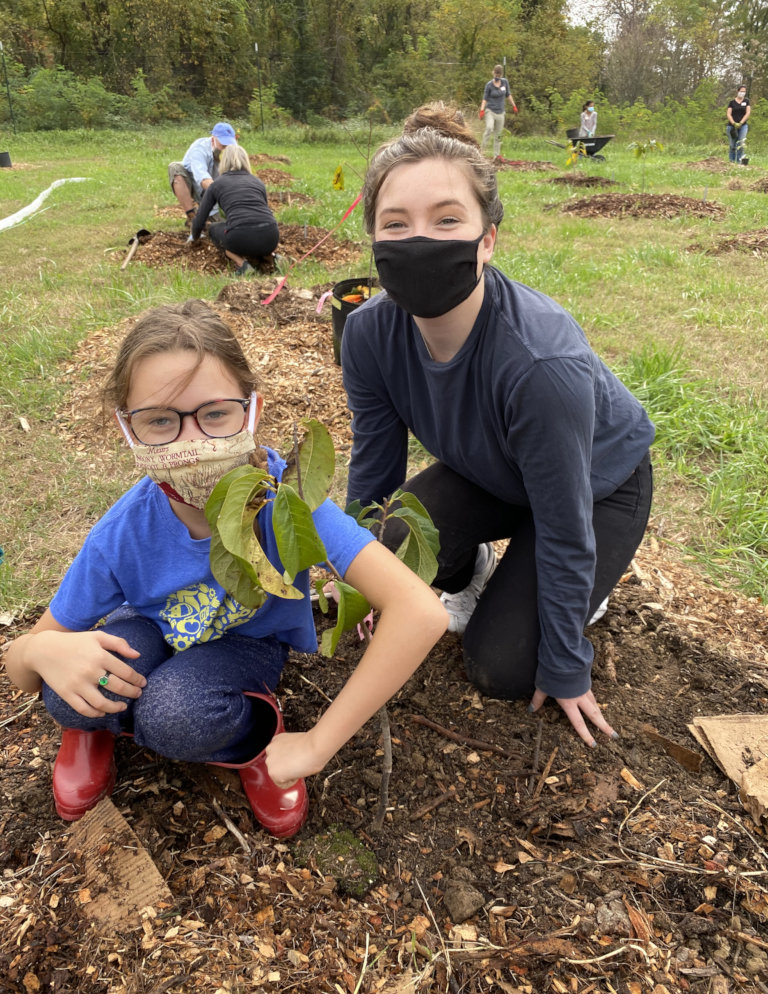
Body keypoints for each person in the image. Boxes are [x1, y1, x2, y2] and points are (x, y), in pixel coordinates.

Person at [4, 300, 447, 835]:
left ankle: (252, 742)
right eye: (160, 421)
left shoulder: (288, 501)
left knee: (176, 717)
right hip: (148, 632)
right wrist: (37, 649)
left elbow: (420, 612)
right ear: (128, 428)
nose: (192, 443)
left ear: (251, 410)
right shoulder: (124, 533)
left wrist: (316, 744)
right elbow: (21, 669)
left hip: (242, 645)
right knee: (66, 688)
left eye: (215, 413)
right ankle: (95, 727)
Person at [341, 124, 654, 749]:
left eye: (446, 219)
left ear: (487, 240)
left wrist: (566, 659)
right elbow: (375, 469)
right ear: (374, 238)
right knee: (396, 537)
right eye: (396, 223)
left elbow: (565, 524)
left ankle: (580, 595)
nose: (419, 239)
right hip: (490, 468)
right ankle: (481, 565)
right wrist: (362, 573)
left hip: (594, 487)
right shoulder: (369, 334)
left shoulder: (539, 363)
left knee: (503, 667)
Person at [188, 145, 279, 277]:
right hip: (271, 236)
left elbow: (201, 218)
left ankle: (242, 264)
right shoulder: (258, 182)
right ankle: (273, 257)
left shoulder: (216, 184)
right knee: (257, 229)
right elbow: (263, 212)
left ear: (223, 162)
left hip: (239, 238)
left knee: (214, 229)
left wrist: (195, 238)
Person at [168, 122, 237, 228]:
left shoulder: (233, 151)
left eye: (229, 144)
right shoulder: (199, 149)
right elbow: (203, 179)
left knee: (229, 221)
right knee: (175, 168)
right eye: (223, 144)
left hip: (219, 189)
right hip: (198, 185)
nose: (226, 148)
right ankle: (192, 217)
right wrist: (222, 195)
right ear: (214, 138)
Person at [479, 65, 517, 158]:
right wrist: (482, 110)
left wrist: (514, 106)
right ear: (493, 73)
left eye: (499, 75)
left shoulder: (505, 82)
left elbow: (508, 95)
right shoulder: (489, 85)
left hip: (501, 112)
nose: (497, 76)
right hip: (490, 111)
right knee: (489, 128)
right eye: (496, 74)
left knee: (499, 135)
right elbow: (485, 99)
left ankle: (497, 155)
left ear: (501, 74)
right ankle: (481, 152)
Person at [727, 86, 750, 164]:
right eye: (741, 91)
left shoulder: (746, 101)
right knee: (732, 144)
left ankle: (740, 161)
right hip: (732, 126)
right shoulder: (732, 102)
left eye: (744, 91)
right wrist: (734, 123)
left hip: (743, 126)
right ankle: (731, 161)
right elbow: (728, 114)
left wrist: (741, 123)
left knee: (741, 144)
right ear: (738, 91)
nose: (742, 93)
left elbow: (748, 113)